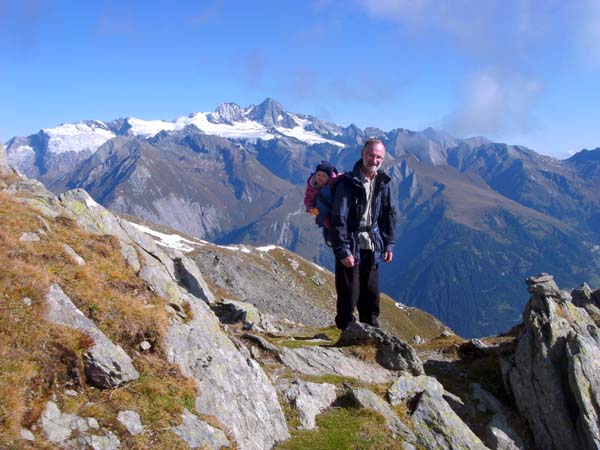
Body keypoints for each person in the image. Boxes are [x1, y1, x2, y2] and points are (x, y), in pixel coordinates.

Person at [330, 138, 396, 330]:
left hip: (372, 244)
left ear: (382, 159)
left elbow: (389, 214)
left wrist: (389, 244)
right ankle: (346, 335)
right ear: (362, 154)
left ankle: (372, 335)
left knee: (371, 294)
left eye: (378, 157)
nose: (374, 160)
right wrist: (342, 250)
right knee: (349, 294)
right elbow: (338, 218)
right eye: (370, 155)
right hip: (351, 245)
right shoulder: (347, 184)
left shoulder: (383, 183)